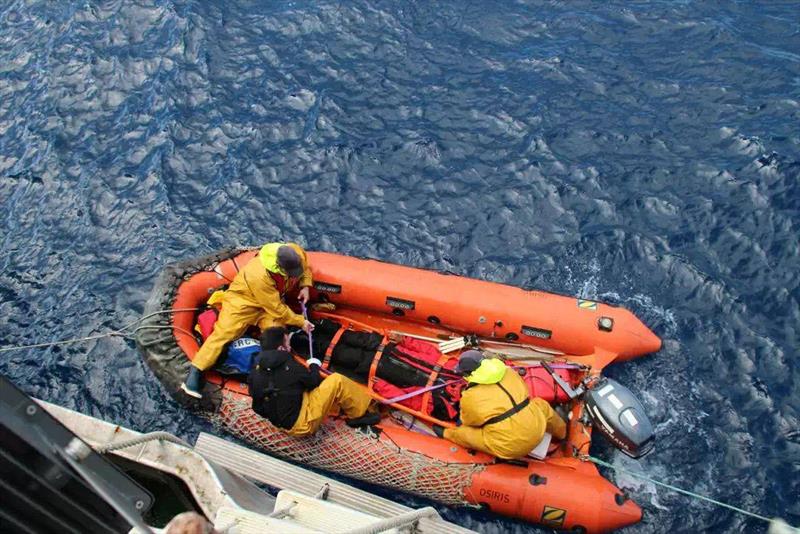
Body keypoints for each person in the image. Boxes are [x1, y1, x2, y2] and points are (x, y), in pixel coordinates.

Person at [182, 242, 315, 398]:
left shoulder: (295, 253)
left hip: (268, 305)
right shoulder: (259, 275)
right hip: (242, 304)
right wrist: (301, 321)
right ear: (278, 268)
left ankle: (276, 370)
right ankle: (196, 371)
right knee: (223, 334)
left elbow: (304, 268)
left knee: (277, 333)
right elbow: (276, 309)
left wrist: (305, 285)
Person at [289, 319, 461, 420]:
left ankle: (299, 342)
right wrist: (404, 341)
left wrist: (381, 387)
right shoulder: (456, 373)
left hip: (378, 368)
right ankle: (310, 324)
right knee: (350, 337)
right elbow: (430, 353)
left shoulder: (443, 405)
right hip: (387, 348)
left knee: (342, 355)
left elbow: (407, 399)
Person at [434, 350, 567, 460]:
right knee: (540, 405)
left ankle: (445, 433)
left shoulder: (470, 396)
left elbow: (469, 421)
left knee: (465, 433)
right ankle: (562, 432)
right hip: (537, 425)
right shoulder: (508, 372)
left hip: (511, 445)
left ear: (468, 374)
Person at [248, 326, 377, 436]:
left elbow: (258, 407)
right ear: (281, 348)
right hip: (301, 424)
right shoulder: (290, 365)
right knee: (337, 381)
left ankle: (335, 409)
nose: (289, 347)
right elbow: (314, 381)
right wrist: (314, 366)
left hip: (281, 423)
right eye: (287, 344)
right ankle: (360, 415)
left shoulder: (255, 369)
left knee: (291, 389)